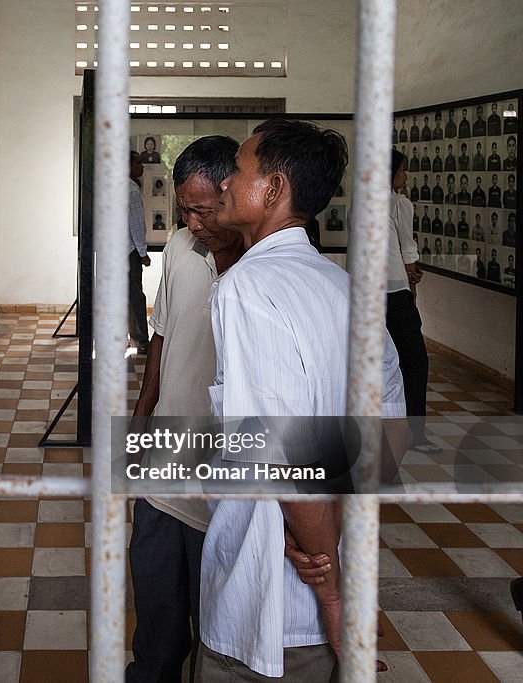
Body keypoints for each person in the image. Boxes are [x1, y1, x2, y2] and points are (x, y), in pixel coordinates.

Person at [197, 120, 408, 681]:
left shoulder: (248, 287)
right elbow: (388, 427)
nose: (223, 186)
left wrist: (335, 597)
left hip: (272, 605)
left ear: (272, 188)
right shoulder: (340, 288)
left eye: (238, 171)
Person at [126, 136, 246, 683]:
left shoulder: (257, 269)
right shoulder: (178, 248)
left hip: (220, 479)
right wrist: (143, 410)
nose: (193, 221)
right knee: (154, 610)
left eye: (203, 209)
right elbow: (161, 333)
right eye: (184, 209)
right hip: (165, 463)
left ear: (234, 193)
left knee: (214, 617)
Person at [387, 149, 438, 454]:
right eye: (403, 171)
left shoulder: (360, 202)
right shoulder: (399, 204)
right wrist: (412, 279)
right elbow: (407, 248)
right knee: (414, 361)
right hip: (394, 290)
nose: (405, 177)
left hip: (367, 292)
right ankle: (415, 433)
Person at [127, 151, 150, 353]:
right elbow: (135, 225)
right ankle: (141, 342)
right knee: (135, 297)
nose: (142, 167)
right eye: (138, 163)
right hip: (128, 252)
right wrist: (143, 253)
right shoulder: (131, 190)